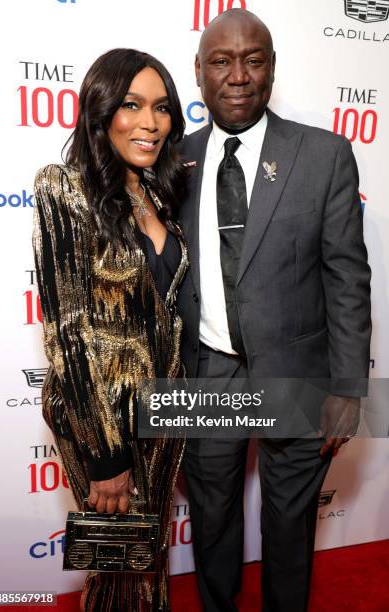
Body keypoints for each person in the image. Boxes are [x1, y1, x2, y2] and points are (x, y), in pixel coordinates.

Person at [177, 9, 371, 612]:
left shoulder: (324, 155)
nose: (238, 76)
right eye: (221, 61)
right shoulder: (171, 162)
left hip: (298, 371)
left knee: (289, 525)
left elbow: (346, 277)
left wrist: (348, 386)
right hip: (207, 370)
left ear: (271, 70)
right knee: (212, 517)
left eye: (253, 60)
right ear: (201, 75)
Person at [33, 48, 189, 612]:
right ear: (101, 111)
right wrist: (107, 457)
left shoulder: (158, 193)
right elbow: (69, 332)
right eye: (132, 105)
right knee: (119, 563)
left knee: (145, 557)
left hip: (164, 411)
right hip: (103, 417)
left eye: (163, 108)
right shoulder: (63, 188)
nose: (151, 122)